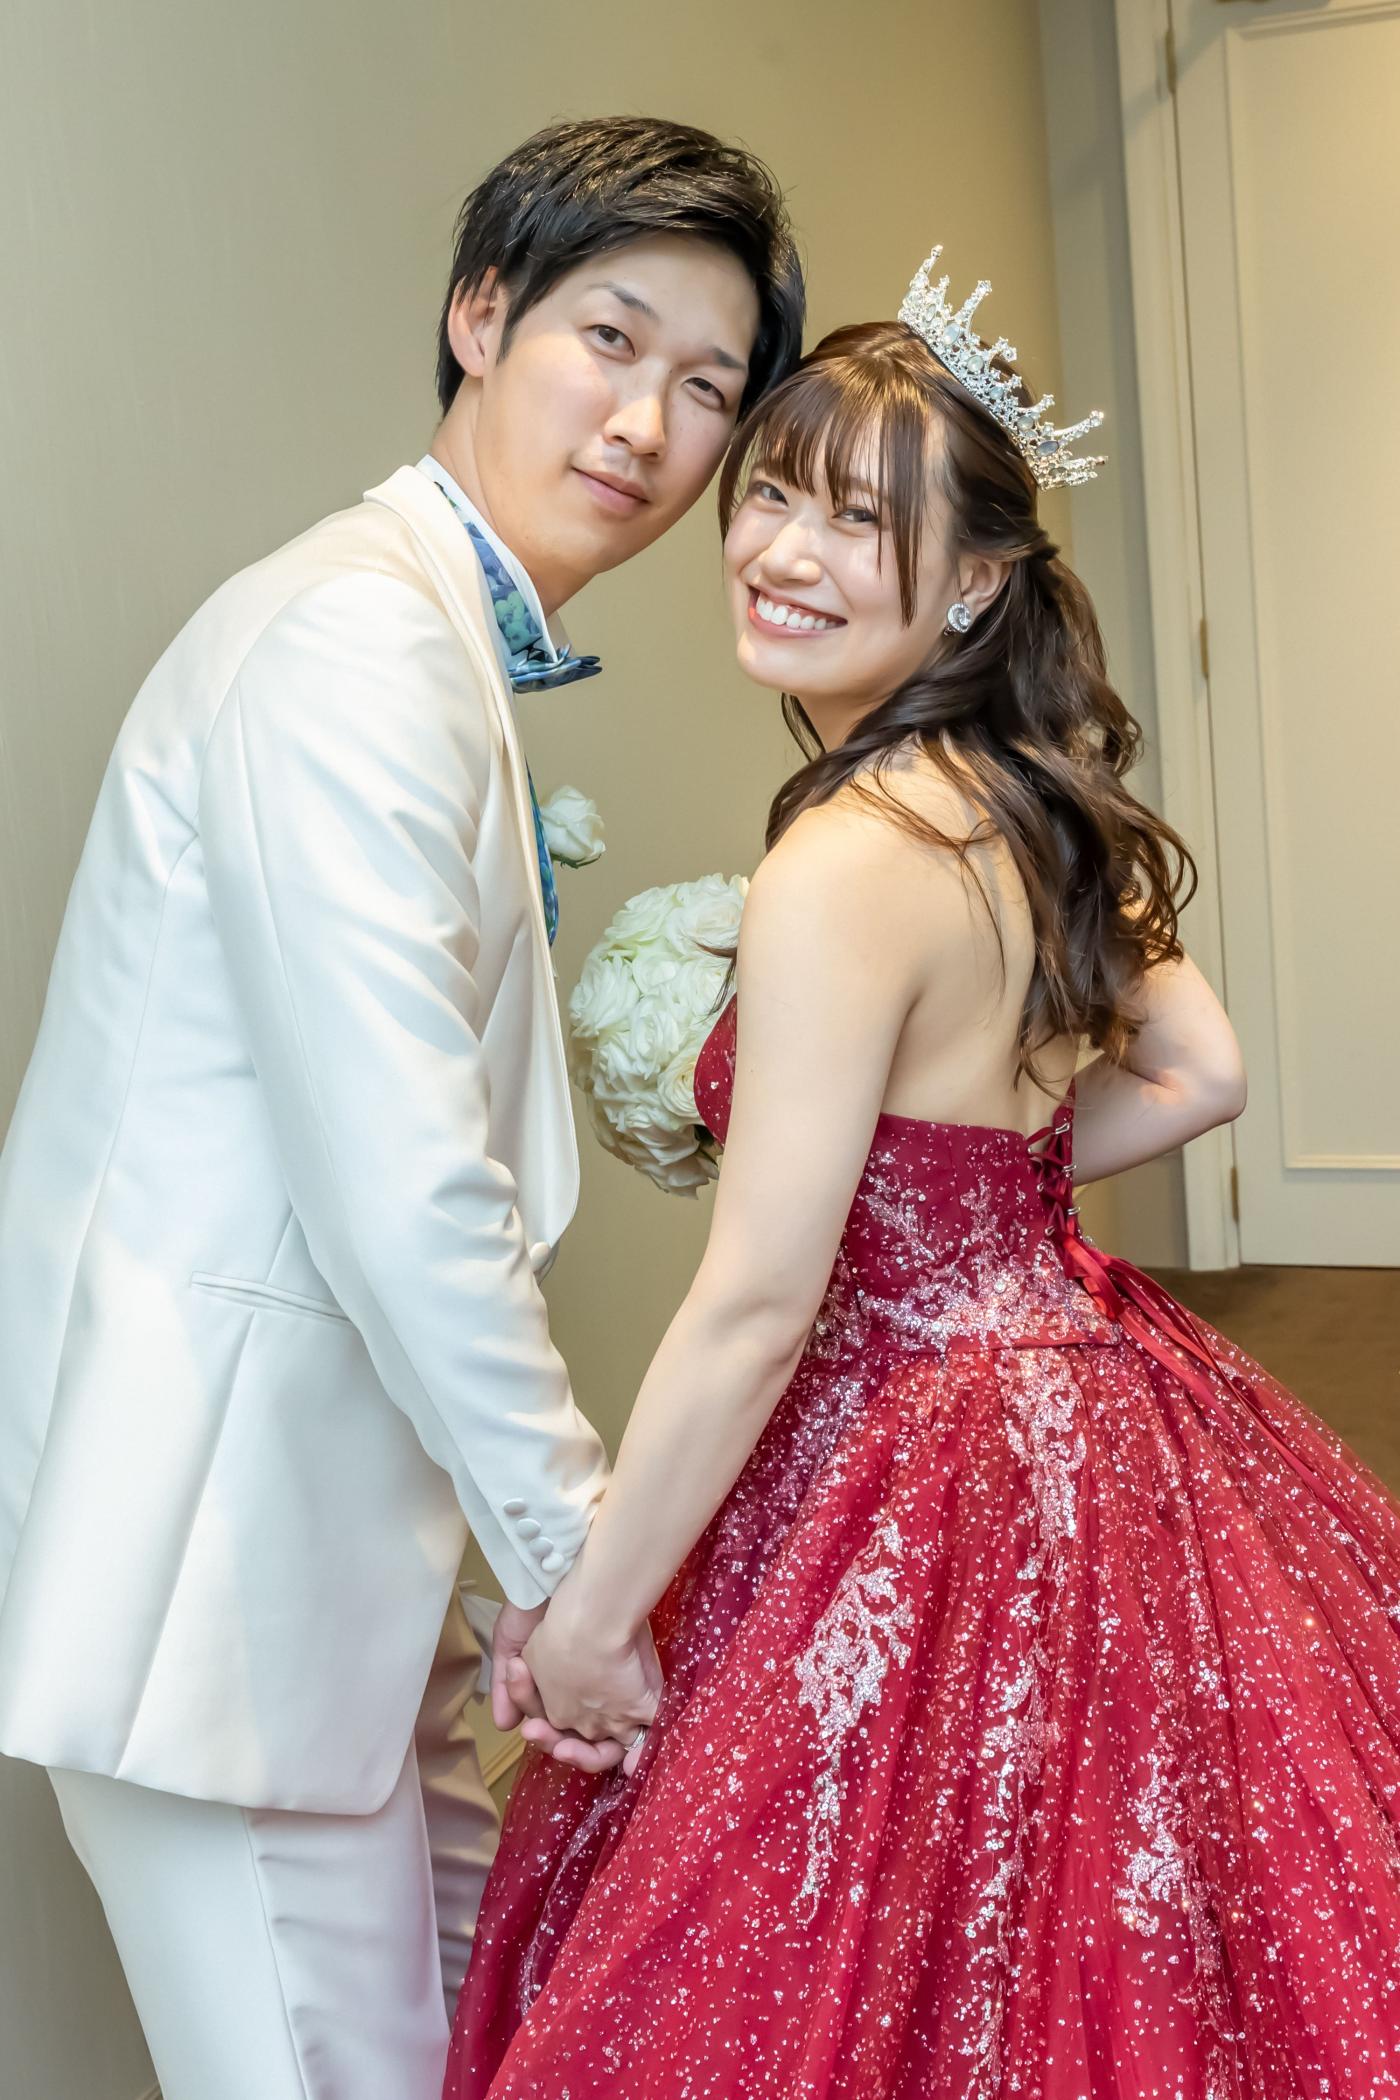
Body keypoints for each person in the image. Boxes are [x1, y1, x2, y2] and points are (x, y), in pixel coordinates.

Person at [445, 256, 1400, 2097]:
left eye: (855, 521)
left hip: (909, 1431)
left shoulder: (844, 856)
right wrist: (957, 1199)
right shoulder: (1033, 800)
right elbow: (1203, 1074)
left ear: (972, 582)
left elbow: (757, 1302)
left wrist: (591, 1621)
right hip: (1094, 1399)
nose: (780, 551)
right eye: (773, 495)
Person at [0, 116, 803, 2100]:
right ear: (478, 313)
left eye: (710, 388)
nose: (649, 422)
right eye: (610, 339)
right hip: (218, 1596)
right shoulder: (356, 637)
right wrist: (577, 1570)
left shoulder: (421, 632)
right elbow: (402, 1184)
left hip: (335, 1589)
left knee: (492, 2047)